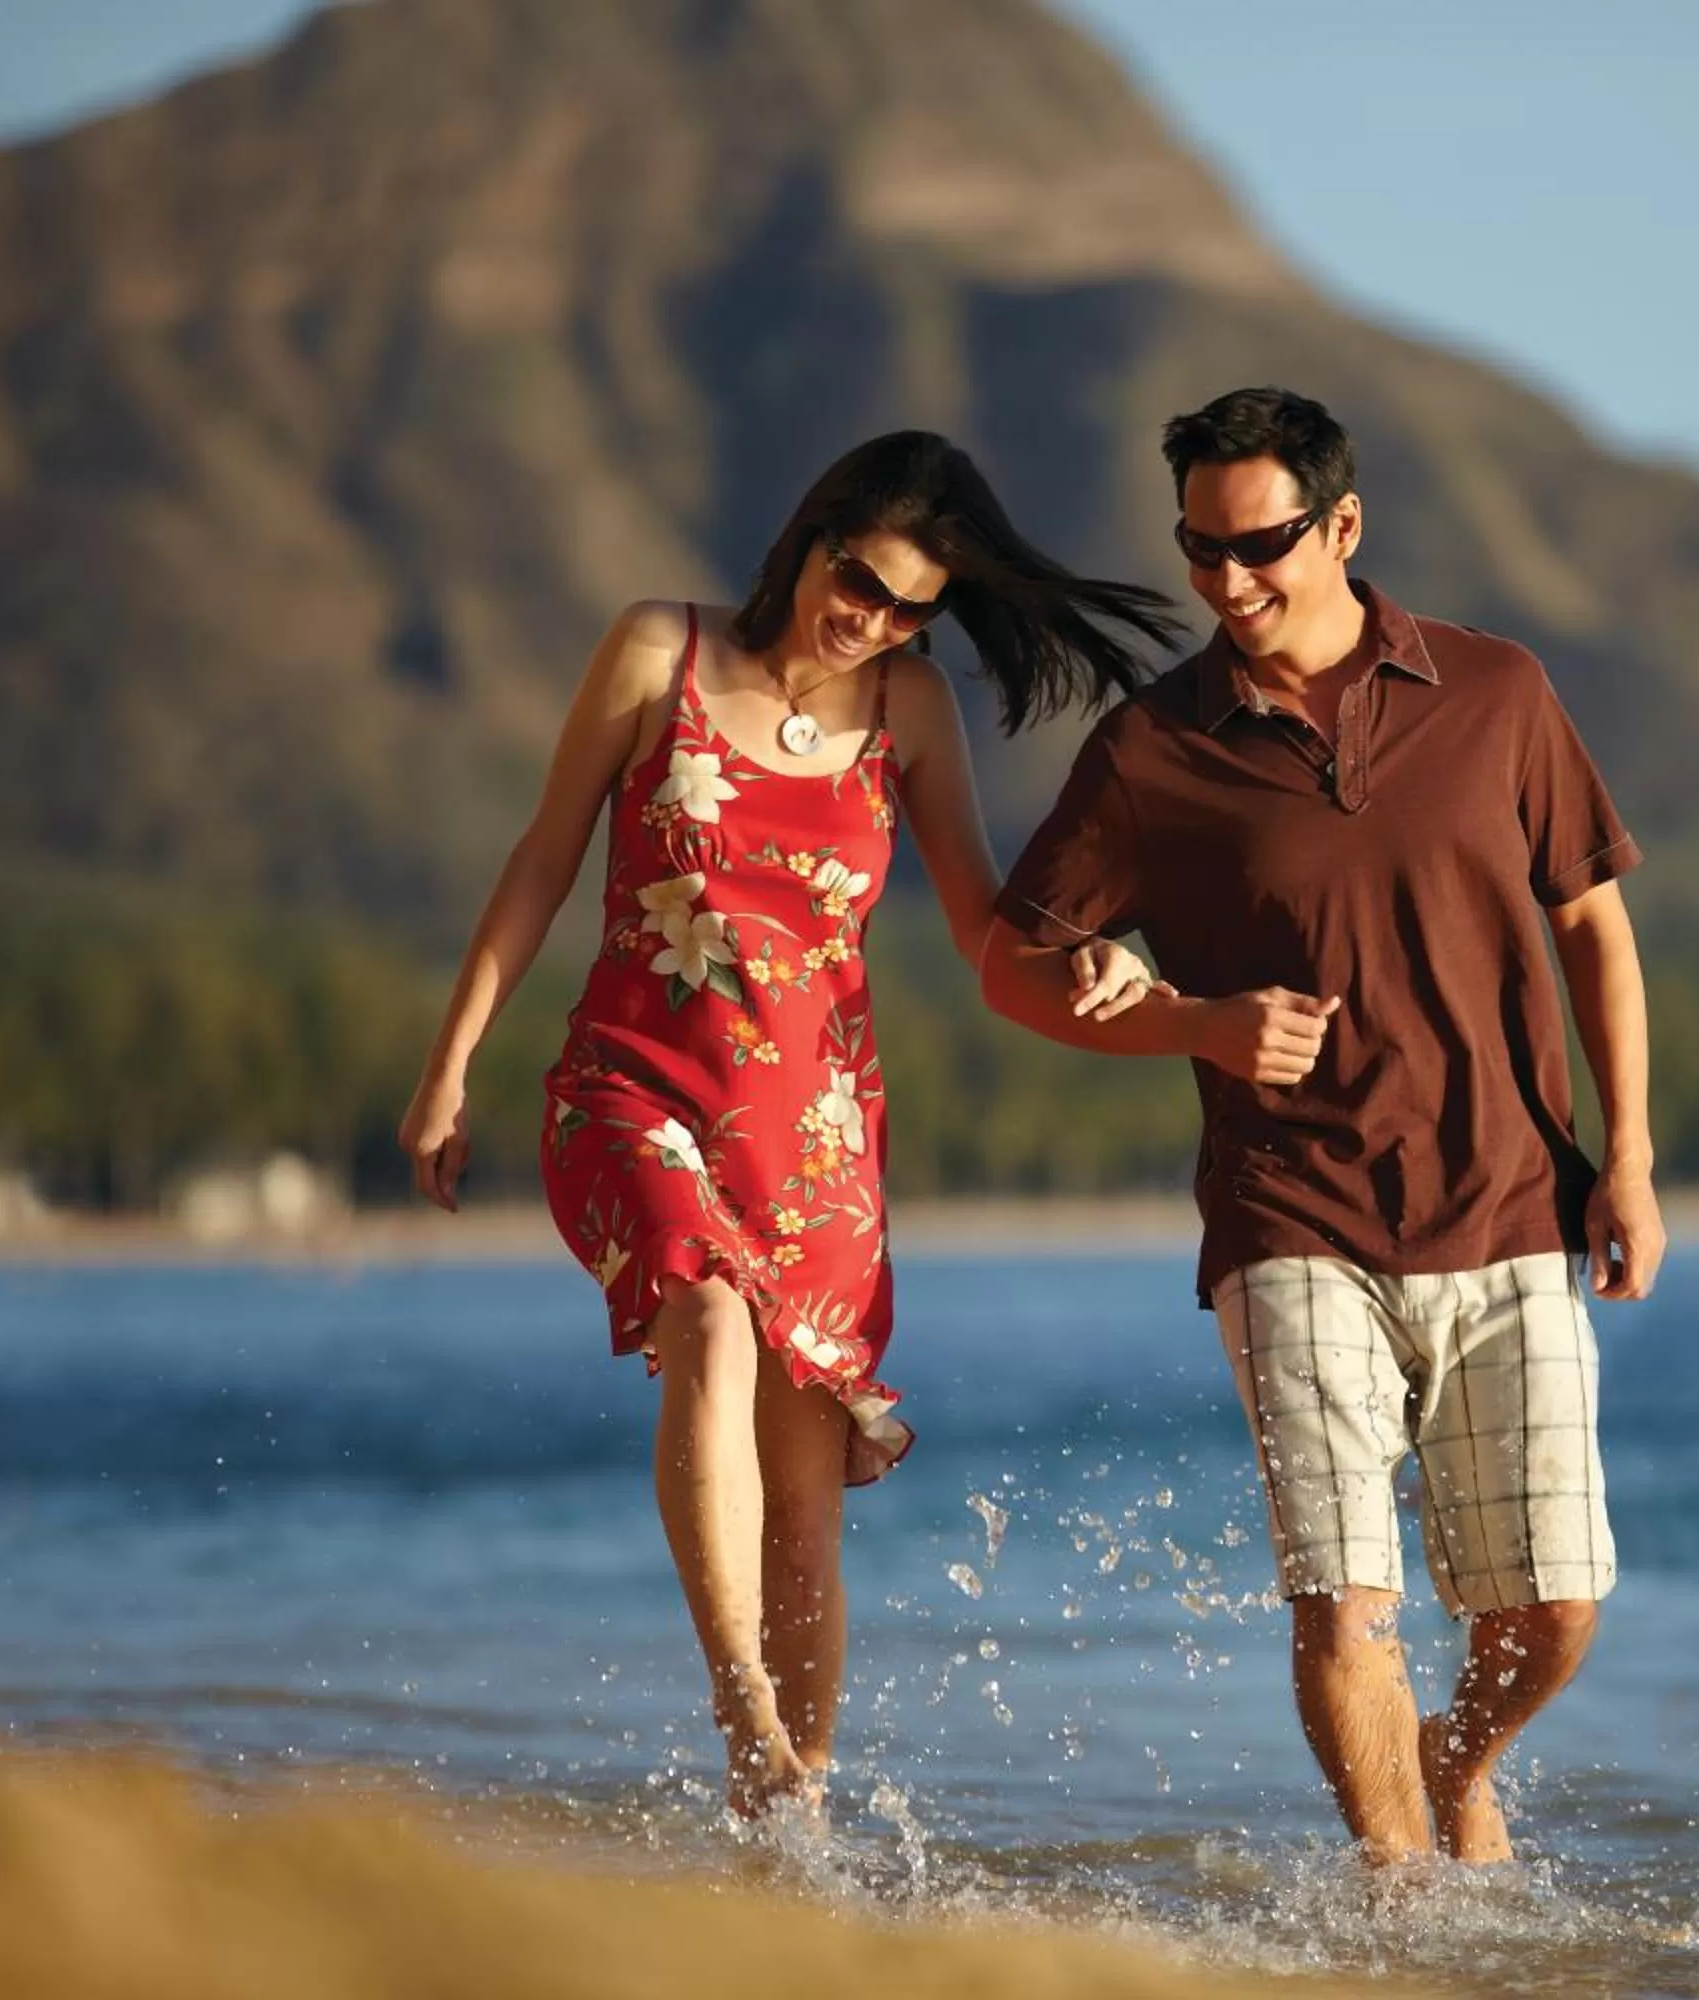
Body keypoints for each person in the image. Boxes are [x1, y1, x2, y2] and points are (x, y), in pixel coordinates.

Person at [399, 432, 1181, 1818]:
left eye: (906, 608)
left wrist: (1102, 955)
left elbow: (984, 930)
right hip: (633, 1090)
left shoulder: (912, 711)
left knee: (806, 1520)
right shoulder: (659, 653)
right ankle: (744, 1709)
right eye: (860, 580)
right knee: (698, 1318)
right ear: (813, 534)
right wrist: (449, 1064)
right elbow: (542, 857)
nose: (870, 620)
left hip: (815, 1146)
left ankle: (791, 1822)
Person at [980, 386, 1665, 1865]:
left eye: (1262, 546)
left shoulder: (1498, 693)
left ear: (1343, 526)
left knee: (1553, 1610)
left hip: (1510, 1202)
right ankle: (1400, 1917)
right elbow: (1010, 965)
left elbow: (1595, 927)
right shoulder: (1152, 753)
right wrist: (1192, 1024)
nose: (1228, 583)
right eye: (1201, 552)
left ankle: (1454, 1757)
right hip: (1288, 1213)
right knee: (1344, 1599)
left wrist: (1636, 1164)